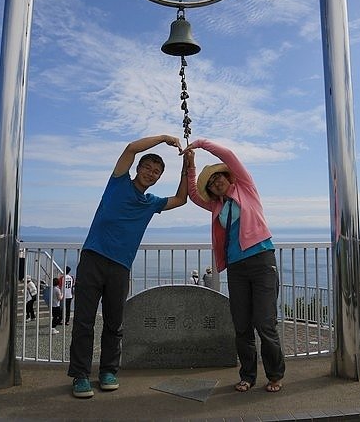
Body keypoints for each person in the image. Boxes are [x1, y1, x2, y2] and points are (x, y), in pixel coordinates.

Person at [68, 134, 189, 399]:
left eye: (156, 172)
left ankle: (108, 372)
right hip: (93, 258)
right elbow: (131, 148)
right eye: (148, 168)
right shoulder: (118, 182)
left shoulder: (151, 203)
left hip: (121, 267)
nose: (151, 173)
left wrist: (186, 168)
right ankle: (80, 376)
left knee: (114, 323)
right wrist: (164, 139)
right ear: (137, 168)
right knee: (84, 322)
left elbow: (181, 199)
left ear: (158, 178)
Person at [182, 137, 285, 393]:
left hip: (261, 261)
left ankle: (274, 375)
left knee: (265, 323)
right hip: (237, 268)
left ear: (228, 177)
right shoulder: (216, 206)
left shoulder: (246, 188)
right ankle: (248, 376)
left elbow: (228, 155)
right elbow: (193, 193)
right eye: (212, 182)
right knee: (241, 325)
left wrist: (200, 144)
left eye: (219, 177)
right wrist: (190, 165)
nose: (216, 182)